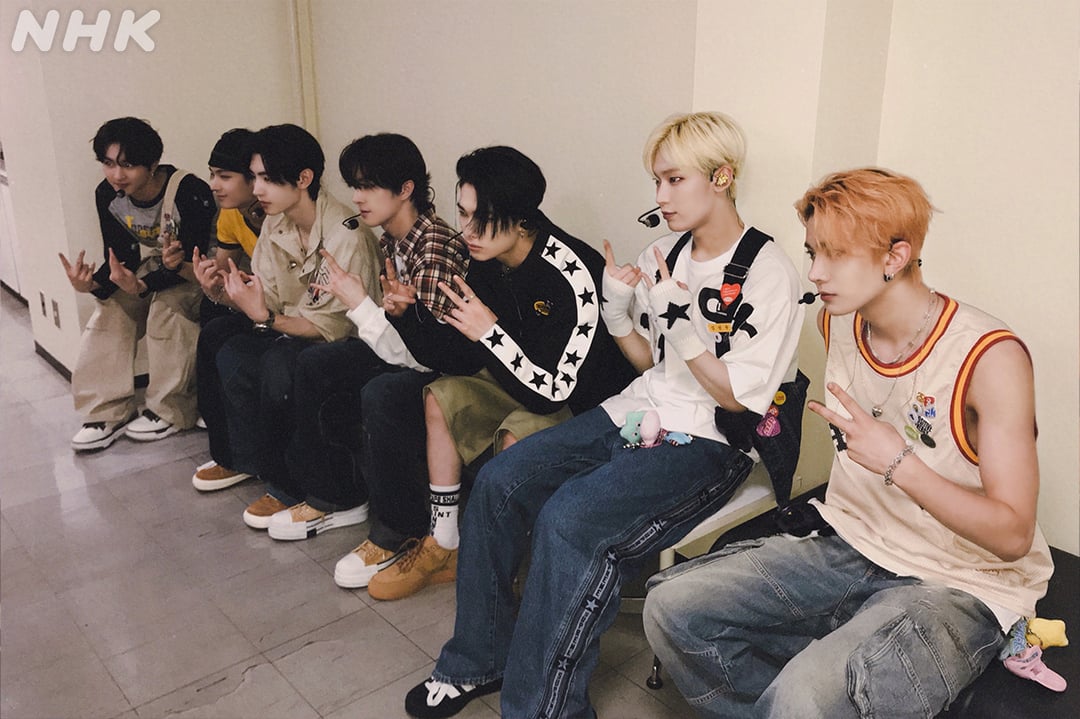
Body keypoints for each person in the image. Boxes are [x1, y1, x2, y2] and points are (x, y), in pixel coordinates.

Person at [404, 113, 803, 719]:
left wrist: (683, 324)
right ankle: (477, 659)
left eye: (674, 180)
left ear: (721, 178)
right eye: (656, 181)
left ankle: (545, 710)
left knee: (571, 520)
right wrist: (619, 315)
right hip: (636, 409)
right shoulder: (664, 252)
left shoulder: (769, 272)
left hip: (709, 441)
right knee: (499, 483)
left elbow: (736, 400)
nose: (661, 196)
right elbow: (653, 363)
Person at [642, 168, 1055, 718]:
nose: (815, 272)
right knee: (670, 607)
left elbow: (1013, 534)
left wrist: (899, 463)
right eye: (813, 252)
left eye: (835, 255)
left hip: (959, 579)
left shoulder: (991, 359)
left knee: (804, 695)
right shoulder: (835, 323)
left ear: (895, 257)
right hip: (852, 542)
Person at [355, 145, 637, 602]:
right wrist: (407, 316)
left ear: (521, 219)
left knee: (516, 435)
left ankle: (511, 567)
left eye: (480, 219)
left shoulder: (572, 274)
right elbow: (457, 359)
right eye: (463, 213)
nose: (466, 231)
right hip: (520, 380)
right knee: (440, 396)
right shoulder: (482, 258)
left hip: (585, 404)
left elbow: (552, 392)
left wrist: (489, 333)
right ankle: (444, 541)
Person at [262, 133, 468, 542]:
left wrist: (358, 302)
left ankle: (400, 531)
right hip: (405, 350)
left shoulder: (433, 247)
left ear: (405, 189)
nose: (357, 197)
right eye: (355, 186)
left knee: (383, 392)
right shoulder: (392, 239)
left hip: (441, 367)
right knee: (314, 363)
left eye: (368, 186)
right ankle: (336, 496)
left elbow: (427, 357)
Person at [192, 123, 381, 527]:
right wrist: (222, 293)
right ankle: (244, 458)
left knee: (280, 363)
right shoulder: (276, 223)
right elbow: (268, 298)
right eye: (254, 177)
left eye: (267, 179)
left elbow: (332, 327)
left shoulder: (345, 234)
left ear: (304, 179)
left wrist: (266, 319)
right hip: (293, 324)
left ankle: (293, 484)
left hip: (347, 340)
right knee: (220, 338)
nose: (257, 189)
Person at [62, 116, 214, 451]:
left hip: (197, 270)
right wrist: (92, 286)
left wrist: (144, 286)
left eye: (128, 165)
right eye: (108, 163)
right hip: (157, 266)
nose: (117, 175)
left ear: (153, 164)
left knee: (167, 310)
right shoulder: (108, 194)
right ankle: (106, 412)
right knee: (111, 311)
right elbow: (122, 259)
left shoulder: (189, 191)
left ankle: (170, 410)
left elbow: (192, 260)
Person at [185, 128, 266, 490]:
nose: (214, 185)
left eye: (225, 176)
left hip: (288, 308)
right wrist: (210, 282)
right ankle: (228, 451)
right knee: (213, 321)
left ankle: (243, 450)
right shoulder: (231, 213)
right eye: (212, 174)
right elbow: (222, 269)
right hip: (262, 301)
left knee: (225, 335)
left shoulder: (280, 213)